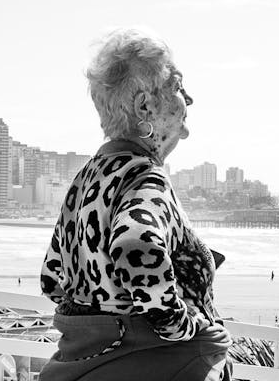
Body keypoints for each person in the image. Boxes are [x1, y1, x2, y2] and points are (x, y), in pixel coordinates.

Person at [38, 29, 230, 381]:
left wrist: (98, 319)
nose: (188, 98)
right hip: (160, 366)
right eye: (177, 86)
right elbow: (136, 245)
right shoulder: (144, 177)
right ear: (145, 106)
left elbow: (52, 280)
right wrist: (180, 326)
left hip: (81, 363)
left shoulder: (87, 177)